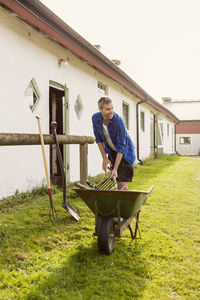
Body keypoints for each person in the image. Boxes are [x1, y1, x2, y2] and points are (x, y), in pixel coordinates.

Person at [92, 96, 135, 190]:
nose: (111, 111)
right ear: (100, 109)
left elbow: (121, 147)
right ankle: (119, 203)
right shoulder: (95, 118)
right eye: (107, 109)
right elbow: (98, 139)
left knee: (121, 183)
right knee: (116, 181)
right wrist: (104, 158)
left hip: (124, 153)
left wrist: (115, 169)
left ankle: (125, 202)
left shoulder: (119, 121)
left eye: (112, 108)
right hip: (112, 152)